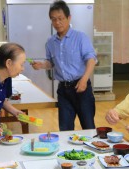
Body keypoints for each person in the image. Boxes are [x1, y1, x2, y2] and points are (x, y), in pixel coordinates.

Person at [31, 0, 97, 131]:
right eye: (54, 19)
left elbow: (91, 59)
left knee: (88, 127)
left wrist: (84, 80)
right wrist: (42, 65)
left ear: (69, 18)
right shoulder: (50, 42)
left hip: (82, 88)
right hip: (63, 91)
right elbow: (51, 63)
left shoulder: (81, 37)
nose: (57, 23)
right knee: (65, 130)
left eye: (60, 18)